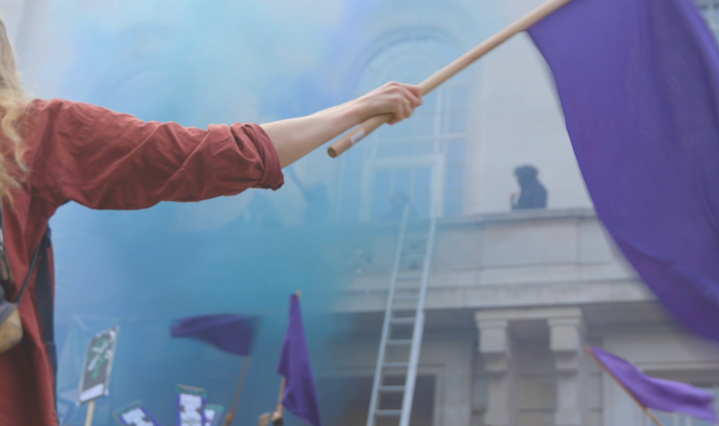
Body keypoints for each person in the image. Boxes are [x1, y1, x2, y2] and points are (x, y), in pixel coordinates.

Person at [0, 17, 423, 426]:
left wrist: (354, 109)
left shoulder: (34, 135)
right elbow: (203, 156)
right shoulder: (32, 133)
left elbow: (204, 155)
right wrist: (354, 110)